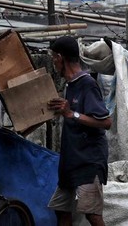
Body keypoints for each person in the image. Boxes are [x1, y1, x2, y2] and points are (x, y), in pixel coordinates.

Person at [46, 36, 112, 226]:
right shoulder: (70, 85)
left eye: (53, 58)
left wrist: (70, 114)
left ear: (60, 57)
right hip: (71, 161)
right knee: (61, 209)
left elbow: (106, 122)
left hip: (88, 162)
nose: (53, 63)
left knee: (92, 214)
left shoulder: (87, 84)